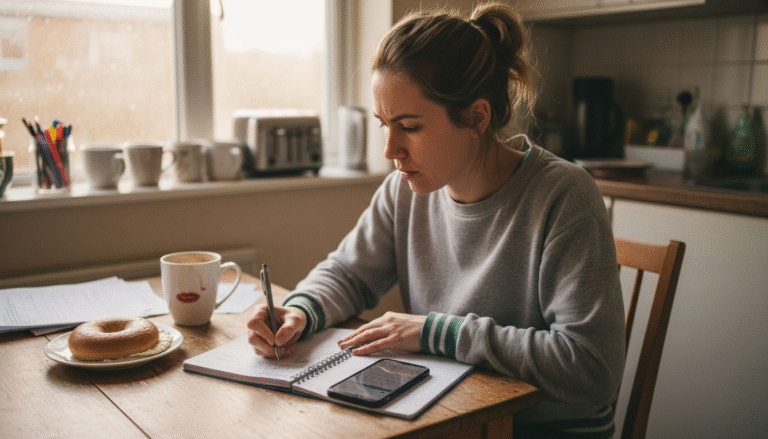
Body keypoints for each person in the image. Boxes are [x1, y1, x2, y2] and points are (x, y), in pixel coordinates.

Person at [247, 3, 625, 438]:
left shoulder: (563, 195)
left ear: (477, 118)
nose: (391, 149)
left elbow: (592, 368)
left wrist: (437, 333)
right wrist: (299, 310)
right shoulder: (404, 190)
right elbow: (348, 274)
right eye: (384, 124)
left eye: (408, 126)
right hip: (449, 417)